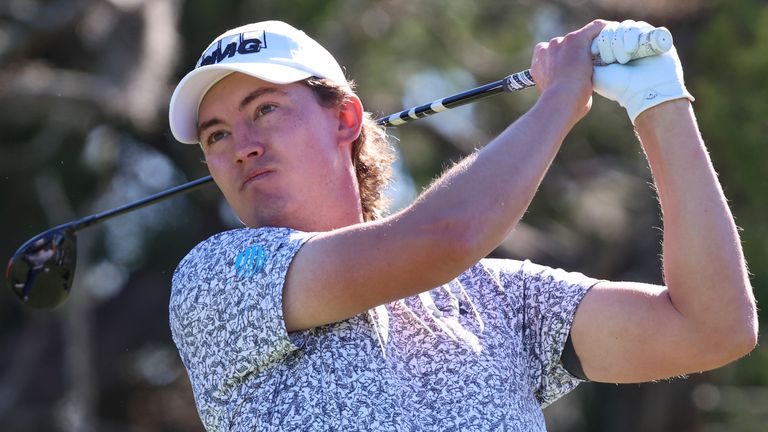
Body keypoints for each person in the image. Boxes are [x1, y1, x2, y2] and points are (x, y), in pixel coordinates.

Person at [166, 19, 757, 431]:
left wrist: (658, 102)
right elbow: (441, 237)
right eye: (217, 134)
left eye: (265, 109)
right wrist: (560, 100)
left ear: (345, 118)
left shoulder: (497, 297)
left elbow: (713, 328)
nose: (241, 147)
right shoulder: (216, 278)